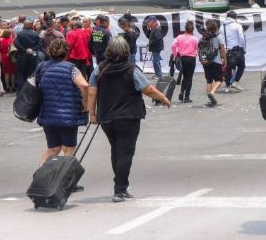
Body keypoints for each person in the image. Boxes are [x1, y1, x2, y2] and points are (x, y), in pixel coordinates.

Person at [86, 36, 170, 203]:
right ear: (125, 51)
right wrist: (163, 98)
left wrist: (92, 114)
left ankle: (119, 183)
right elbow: (148, 89)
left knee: (115, 149)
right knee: (125, 152)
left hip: (106, 117)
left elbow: (91, 92)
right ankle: (120, 189)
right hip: (128, 117)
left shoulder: (99, 69)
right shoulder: (131, 69)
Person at [36, 39, 90, 168]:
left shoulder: (42, 66)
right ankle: (64, 179)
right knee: (68, 148)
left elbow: (36, 85)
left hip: (47, 112)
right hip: (68, 114)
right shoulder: (71, 68)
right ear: (66, 52)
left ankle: (40, 175)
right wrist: (85, 103)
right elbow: (84, 85)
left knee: (53, 148)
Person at [199, 19, 227, 107]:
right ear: (215, 27)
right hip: (216, 61)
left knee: (209, 80)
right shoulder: (218, 36)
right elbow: (222, 49)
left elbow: (199, 49)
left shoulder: (203, 36)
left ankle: (211, 100)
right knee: (219, 79)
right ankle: (212, 92)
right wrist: (224, 59)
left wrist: (202, 59)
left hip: (206, 61)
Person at [171, 20, 198, 103]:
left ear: (185, 29)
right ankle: (187, 96)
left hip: (182, 58)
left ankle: (181, 93)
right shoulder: (195, 39)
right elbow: (198, 49)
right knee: (189, 78)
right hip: (191, 59)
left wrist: (175, 55)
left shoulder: (179, 37)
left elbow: (173, 45)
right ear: (192, 30)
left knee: (184, 76)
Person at [14, 19, 42, 91]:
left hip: (22, 55)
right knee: (31, 72)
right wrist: (33, 49)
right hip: (32, 55)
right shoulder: (35, 34)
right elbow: (40, 44)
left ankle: (20, 87)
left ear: (24, 25)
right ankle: (30, 88)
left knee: (20, 72)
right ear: (31, 25)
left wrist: (24, 49)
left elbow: (16, 43)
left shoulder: (20, 34)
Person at [222, 11, 246, 93]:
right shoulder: (237, 26)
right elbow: (242, 38)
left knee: (228, 69)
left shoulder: (222, 27)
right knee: (242, 66)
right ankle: (236, 82)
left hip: (227, 52)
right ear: (235, 18)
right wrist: (242, 48)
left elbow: (221, 42)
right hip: (237, 50)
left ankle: (227, 86)